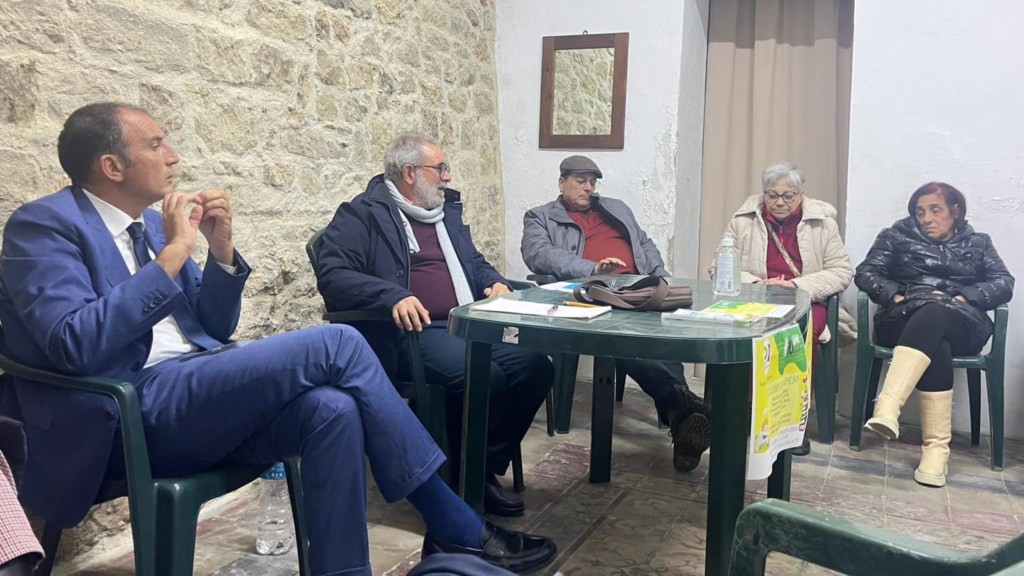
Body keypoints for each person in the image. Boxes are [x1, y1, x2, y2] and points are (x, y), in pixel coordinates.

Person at [0, 103, 555, 576]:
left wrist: (219, 252)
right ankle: (453, 522)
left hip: (190, 393)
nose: (172, 156)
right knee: (338, 343)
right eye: (156, 144)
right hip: (125, 409)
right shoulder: (43, 225)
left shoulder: (147, 225)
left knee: (332, 408)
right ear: (111, 165)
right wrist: (174, 254)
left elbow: (214, 328)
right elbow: (73, 344)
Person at [316, 132, 553, 516]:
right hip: (407, 336)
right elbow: (333, 275)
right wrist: (391, 295)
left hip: (465, 326)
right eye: (439, 168)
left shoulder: (445, 214)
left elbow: (473, 262)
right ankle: (467, 479)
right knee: (484, 376)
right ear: (410, 173)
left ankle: (476, 468)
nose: (447, 176)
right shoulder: (363, 214)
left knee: (536, 367)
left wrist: (494, 282)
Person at [520, 155, 711, 472]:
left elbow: (644, 243)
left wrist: (660, 278)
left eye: (592, 182)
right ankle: (682, 408)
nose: (588, 187)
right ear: (561, 182)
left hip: (638, 288)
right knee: (624, 338)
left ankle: (680, 412)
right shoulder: (540, 217)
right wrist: (591, 269)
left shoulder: (616, 208)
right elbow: (538, 254)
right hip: (592, 293)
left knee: (666, 332)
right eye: (580, 180)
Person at [856, 182, 1013, 487]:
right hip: (902, 319)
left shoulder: (979, 242)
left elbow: (1003, 282)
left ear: (955, 211)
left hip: (962, 322)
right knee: (935, 338)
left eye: (935, 210)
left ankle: (888, 406)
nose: (926, 218)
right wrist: (896, 295)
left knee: (937, 313)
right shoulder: (895, 236)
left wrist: (963, 297)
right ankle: (936, 451)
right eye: (920, 212)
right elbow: (866, 273)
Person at [718, 161, 855, 455]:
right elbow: (720, 266)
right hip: (757, 297)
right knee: (743, 332)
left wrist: (795, 285)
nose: (779, 202)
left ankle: (791, 423)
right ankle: (749, 412)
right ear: (763, 193)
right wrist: (758, 283)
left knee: (797, 335)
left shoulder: (823, 224)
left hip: (805, 299)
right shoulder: (743, 220)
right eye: (772, 194)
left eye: (788, 196)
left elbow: (842, 271)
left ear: (800, 194)